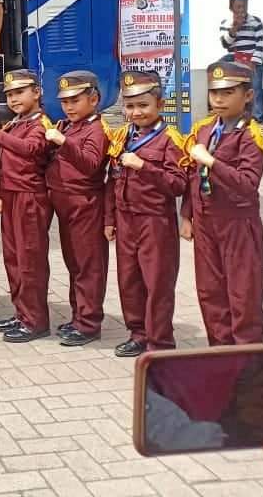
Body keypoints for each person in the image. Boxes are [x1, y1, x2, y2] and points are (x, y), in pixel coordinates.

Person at [182, 60, 263, 346]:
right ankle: (219, 354)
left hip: (237, 223)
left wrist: (212, 162)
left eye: (228, 92)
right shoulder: (204, 129)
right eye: (214, 92)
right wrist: (187, 215)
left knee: (244, 295)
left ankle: (247, 360)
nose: (218, 99)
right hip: (206, 221)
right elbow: (192, 174)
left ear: (248, 95)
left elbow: (248, 184)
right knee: (210, 292)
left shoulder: (251, 135)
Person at [104, 70, 189, 357]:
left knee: (157, 282)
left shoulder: (170, 139)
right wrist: (110, 219)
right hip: (126, 219)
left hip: (155, 221)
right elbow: (113, 180)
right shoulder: (122, 136)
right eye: (130, 106)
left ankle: (160, 342)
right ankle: (138, 334)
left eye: (143, 105)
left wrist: (144, 167)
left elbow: (178, 184)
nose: (136, 112)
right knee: (129, 280)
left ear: (160, 105)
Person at [0, 69, 52, 343]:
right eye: (9, 95)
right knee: (14, 259)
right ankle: (22, 313)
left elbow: (29, 149)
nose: (13, 99)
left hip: (30, 198)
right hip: (12, 196)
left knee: (30, 261)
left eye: (20, 92)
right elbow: (6, 166)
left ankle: (35, 321)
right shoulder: (17, 123)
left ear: (37, 92)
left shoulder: (41, 124)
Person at [44, 71, 111, 347]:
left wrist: (64, 142)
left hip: (85, 205)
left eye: (75, 100)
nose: (69, 107)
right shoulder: (70, 126)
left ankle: (89, 323)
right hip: (66, 205)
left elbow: (91, 164)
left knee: (88, 266)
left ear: (93, 99)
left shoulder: (96, 129)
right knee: (74, 264)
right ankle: (78, 316)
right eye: (65, 102)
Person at [220, 0, 263, 122]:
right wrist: (235, 28)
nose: (242, 10)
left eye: (244, 7)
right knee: (229, 83)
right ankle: (232, 115)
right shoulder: (225, 23)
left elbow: (261, 43)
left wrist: (253, 62)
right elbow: (225, 44)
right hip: (235, 58)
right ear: (231, 8)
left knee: (255, 87)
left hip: (252, 58)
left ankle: (258, 119)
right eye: (238, 7)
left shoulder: (255, 21)